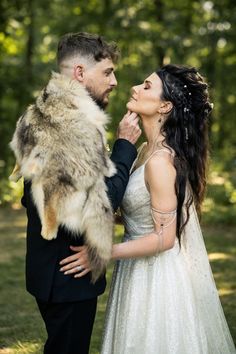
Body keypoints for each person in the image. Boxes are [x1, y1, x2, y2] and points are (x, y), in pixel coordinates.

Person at [99, 64, 236, 353]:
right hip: (135, 267)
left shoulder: (161, 161)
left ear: (165, 106)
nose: (135, 87)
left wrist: (103, 250)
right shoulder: (143, 152)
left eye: (146, 86)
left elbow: (164, 238)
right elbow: (141, 213)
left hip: (156, 276)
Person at [20, 32, 141, 354]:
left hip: (46, 270)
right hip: (68, 274)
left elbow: (30, 196)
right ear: (79, 72)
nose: (114, 81)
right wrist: (125, 146)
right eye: (107, 72)